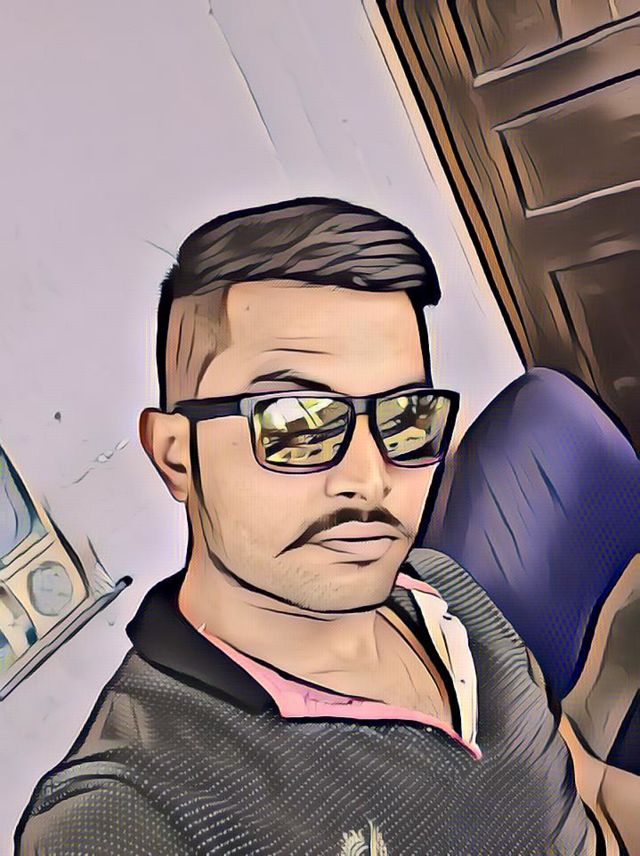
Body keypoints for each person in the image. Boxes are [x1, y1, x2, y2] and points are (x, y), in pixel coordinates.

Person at [15, 199, 637, 855]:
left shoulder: (442, 590)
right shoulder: (125, 813)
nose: (371, 478)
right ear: (177, 455)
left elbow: (582, 791)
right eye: (296, 423)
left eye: (406, 417)